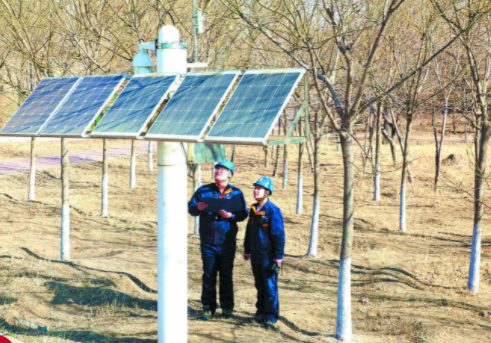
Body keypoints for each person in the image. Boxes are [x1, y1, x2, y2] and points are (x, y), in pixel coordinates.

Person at [188, 159, 248, 320]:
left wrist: (232, 216)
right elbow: (191, 208)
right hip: (208, 241)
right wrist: (197, 208)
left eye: (222, 170)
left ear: (230, 174)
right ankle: (208, 307)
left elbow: (244, 213)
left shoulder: (236, 193)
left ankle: (227, 308)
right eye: (217, 169)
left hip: (227, 241)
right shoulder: (203, 190)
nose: (218, 172)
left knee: (226, 275)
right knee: (208, 274)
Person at [243, 176, 285, 331]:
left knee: (270, 287)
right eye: (255, 188)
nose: (255, 190)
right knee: (259, 285)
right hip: (255, 255)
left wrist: (278, 256)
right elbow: (249, 231)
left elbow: (278, 234)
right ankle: (260, 313)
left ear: (267, 192)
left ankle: (271, 316)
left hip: (268, 256)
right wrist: (247, 249)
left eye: (259, 188)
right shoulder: (253, 209)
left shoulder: (273, 211)